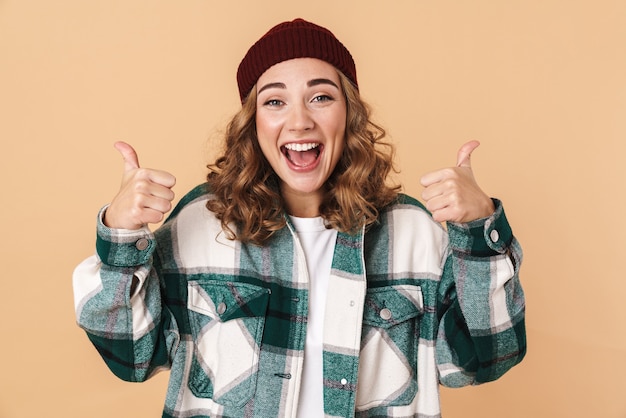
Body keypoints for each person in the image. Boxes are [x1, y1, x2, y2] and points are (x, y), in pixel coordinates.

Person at [73, 18, 526, 418]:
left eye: (321, 97)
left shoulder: (412, 231)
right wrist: (121, 235)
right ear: (252, 123)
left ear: (348, 114)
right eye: (275, 102)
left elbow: (485, 359)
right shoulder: (202, 222)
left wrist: (478, 233)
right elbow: (130, 356)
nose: (299, 121)